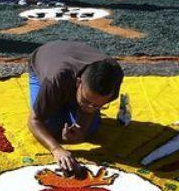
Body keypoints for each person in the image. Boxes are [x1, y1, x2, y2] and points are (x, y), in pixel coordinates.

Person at [27, 41, 124, 175]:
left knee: (89, 130)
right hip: (43, 59)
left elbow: (88, 111)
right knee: (50, 128)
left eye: (98, 105)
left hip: (68, 80)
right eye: (86, 100)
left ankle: (72, 103)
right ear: (78, 83)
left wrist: (82, 129)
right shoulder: (55, 78)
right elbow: (34, 120)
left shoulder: (112, 81)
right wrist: (56, 149)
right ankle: (63, 102)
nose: (90, 108)